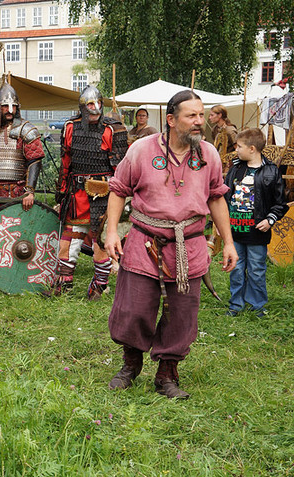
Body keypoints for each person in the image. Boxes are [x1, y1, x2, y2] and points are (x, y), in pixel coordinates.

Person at [104, 90, 238, 400]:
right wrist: (112, 232)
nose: (199, 122)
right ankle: (131, 364)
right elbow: (118, 190)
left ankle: (166, 373)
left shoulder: (208, 154)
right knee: (133, 308)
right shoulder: (140, 150)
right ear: (170, 119)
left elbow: (216, 197)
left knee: (181, 314)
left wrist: (228, 242)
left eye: (201, 115)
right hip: (144, 242)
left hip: (188, 245)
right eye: (191, 116)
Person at [56, 85, 129, 300]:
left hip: (104, 195)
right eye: (90, 104)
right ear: (82, 106)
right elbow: (65, 162)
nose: (95, 108)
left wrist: (120, 196)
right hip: (76, 193)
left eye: (98, 103)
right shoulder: (71, 127)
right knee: (68, 242)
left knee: (100, 244)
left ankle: (98, 287)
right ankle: (63, 286)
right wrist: (61, 191)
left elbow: (122, 170)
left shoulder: (113, 129)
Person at [224, 128, 288, 317]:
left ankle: (257, 305)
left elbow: (280, 204)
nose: (236, 149)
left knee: (257, 269)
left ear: (252, 149)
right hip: (234, 231)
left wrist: (270, 220)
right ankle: (236, 304)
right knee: (235, 269)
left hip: (257, 233)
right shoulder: (235, 168)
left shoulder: (271, 171)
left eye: (240, 146)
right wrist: (222, 225)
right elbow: (225, 197)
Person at [0, 83, 44, 216]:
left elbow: (34, 161)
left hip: (15, 192)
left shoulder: (26, 130)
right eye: (5, 106)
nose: (10, 110)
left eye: (13, 106)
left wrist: (30, 191)